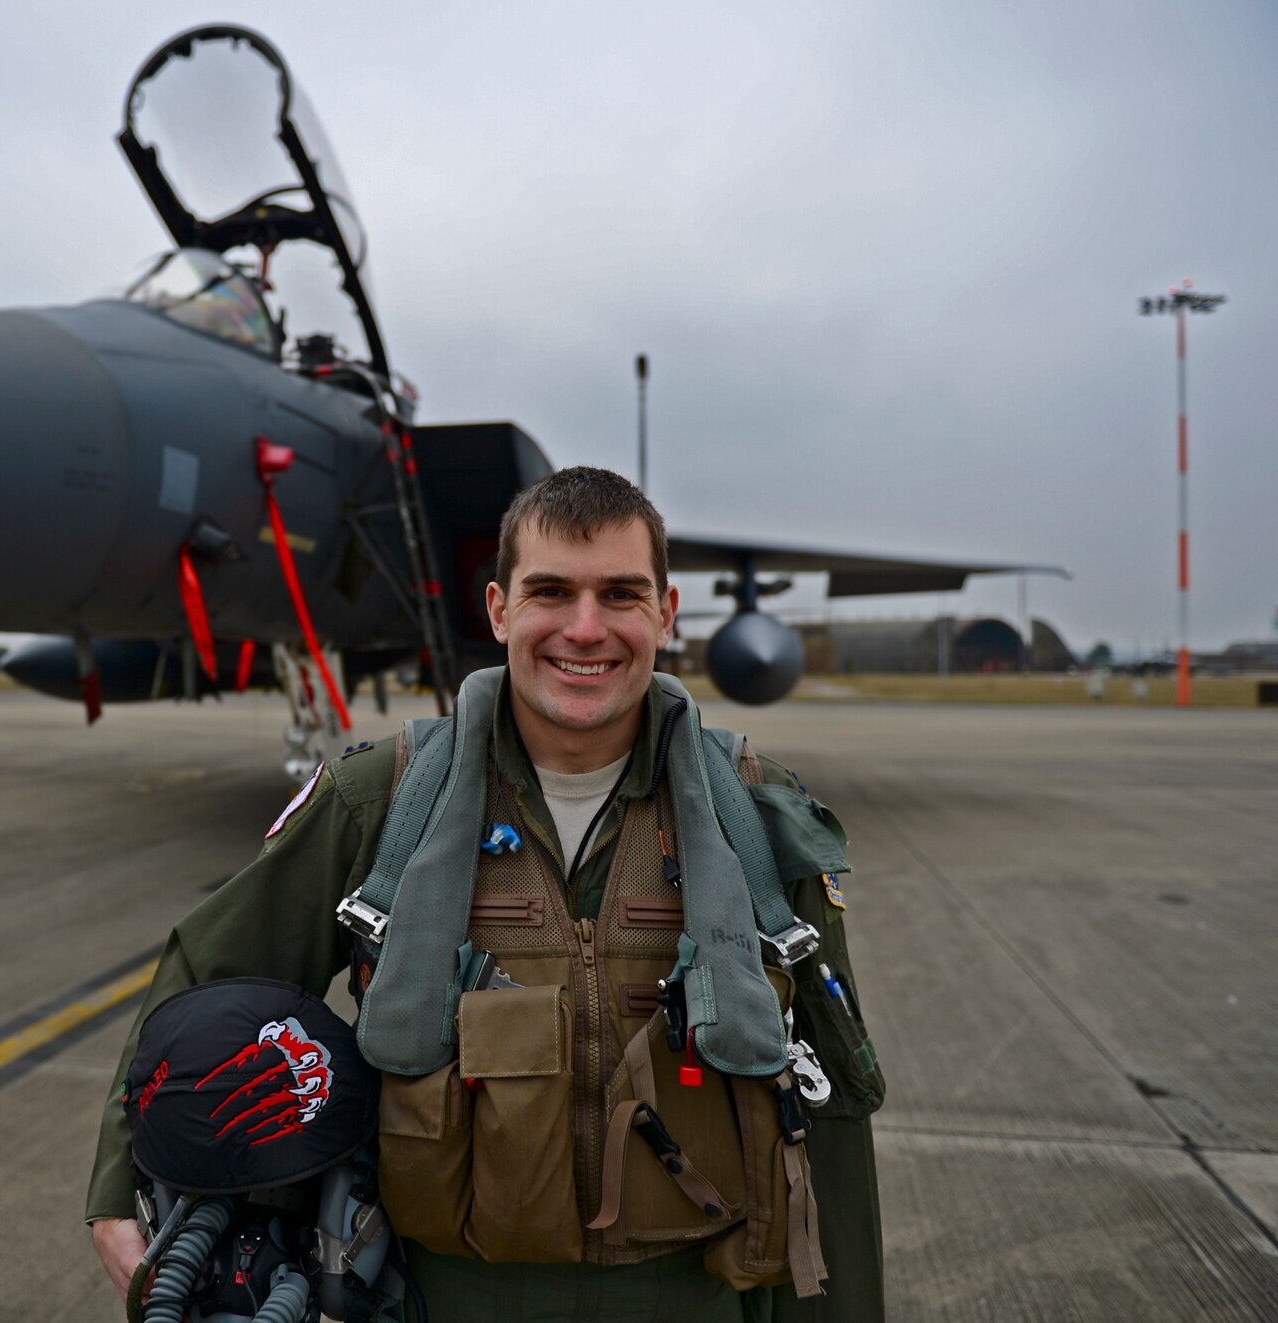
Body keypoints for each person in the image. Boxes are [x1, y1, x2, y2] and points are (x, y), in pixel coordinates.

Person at [89, 468, 884, 1322]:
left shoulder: (756, 817)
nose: (586, 628)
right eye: (552, 592)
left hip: (697, 1294)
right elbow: (206, 978)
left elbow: (826, 1098)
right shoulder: (380, 802)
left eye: (620, 593)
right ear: (501, 609)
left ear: (665, 612)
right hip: (440, 1295)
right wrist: (118, 1187)